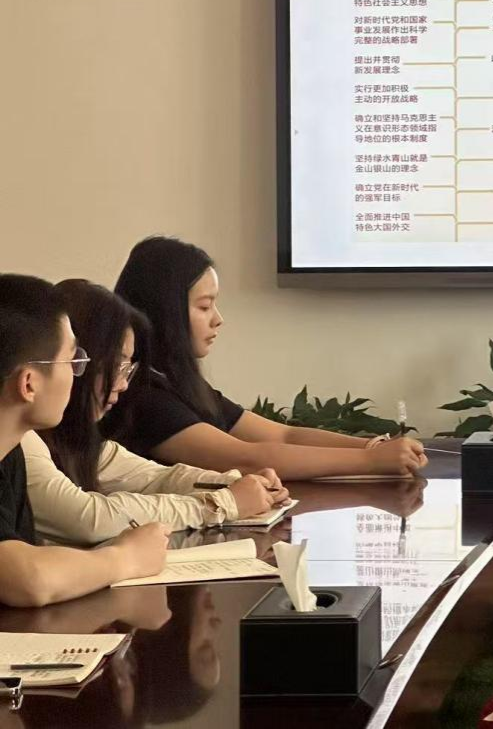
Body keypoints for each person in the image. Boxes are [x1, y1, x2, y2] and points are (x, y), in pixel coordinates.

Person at [102, 237, 426, 479]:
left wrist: (371, 447)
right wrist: (371, 461)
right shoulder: (141, 394)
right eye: (204, 306)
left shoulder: (172, 380)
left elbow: (283, 435)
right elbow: (246, 458)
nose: (218, 319)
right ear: (165, 311)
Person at [23, 280, 287, 546]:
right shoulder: (19, 437)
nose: (124, 384)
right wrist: (221, 504)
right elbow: (87, 519)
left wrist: (234, 485)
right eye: (117, 366)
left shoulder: (74, 437)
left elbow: (157, 478)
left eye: (128, 369)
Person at [0, 274, 168, 607]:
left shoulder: (10, 456)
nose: (78, 375)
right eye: (73, 361)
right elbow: (27, 578)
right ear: (29, 384)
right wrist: (127, 557)